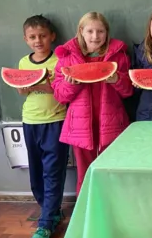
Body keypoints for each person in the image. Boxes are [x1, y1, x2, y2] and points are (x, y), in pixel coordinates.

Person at [52, 12, 133, 201]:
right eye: (90, 31)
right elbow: (60, 95)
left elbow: (129, 91)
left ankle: (113, 214)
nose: (95, 36)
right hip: (80, 126)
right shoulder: (67, 58)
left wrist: (117, 80)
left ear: (107, 33)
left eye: (100, 31)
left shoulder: (119, 56)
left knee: (112, 173)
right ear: (81, 31)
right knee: (85, 174)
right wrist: (72, 83)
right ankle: (86, 216)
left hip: (112, 123)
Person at [16, 14, 70, 238]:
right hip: (30, 121)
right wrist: (25, 86)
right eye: (32, 37)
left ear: (52, 37)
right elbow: (21, 90)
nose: (38, 40)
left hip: (56, 121)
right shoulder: (23, 62)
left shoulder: (59, 61)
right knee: (36, 174)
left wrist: (38, 84)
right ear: (26, 39)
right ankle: (52, 211)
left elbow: (61, 88)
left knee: (53, 172)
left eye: (42, 36)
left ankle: (46, 223)